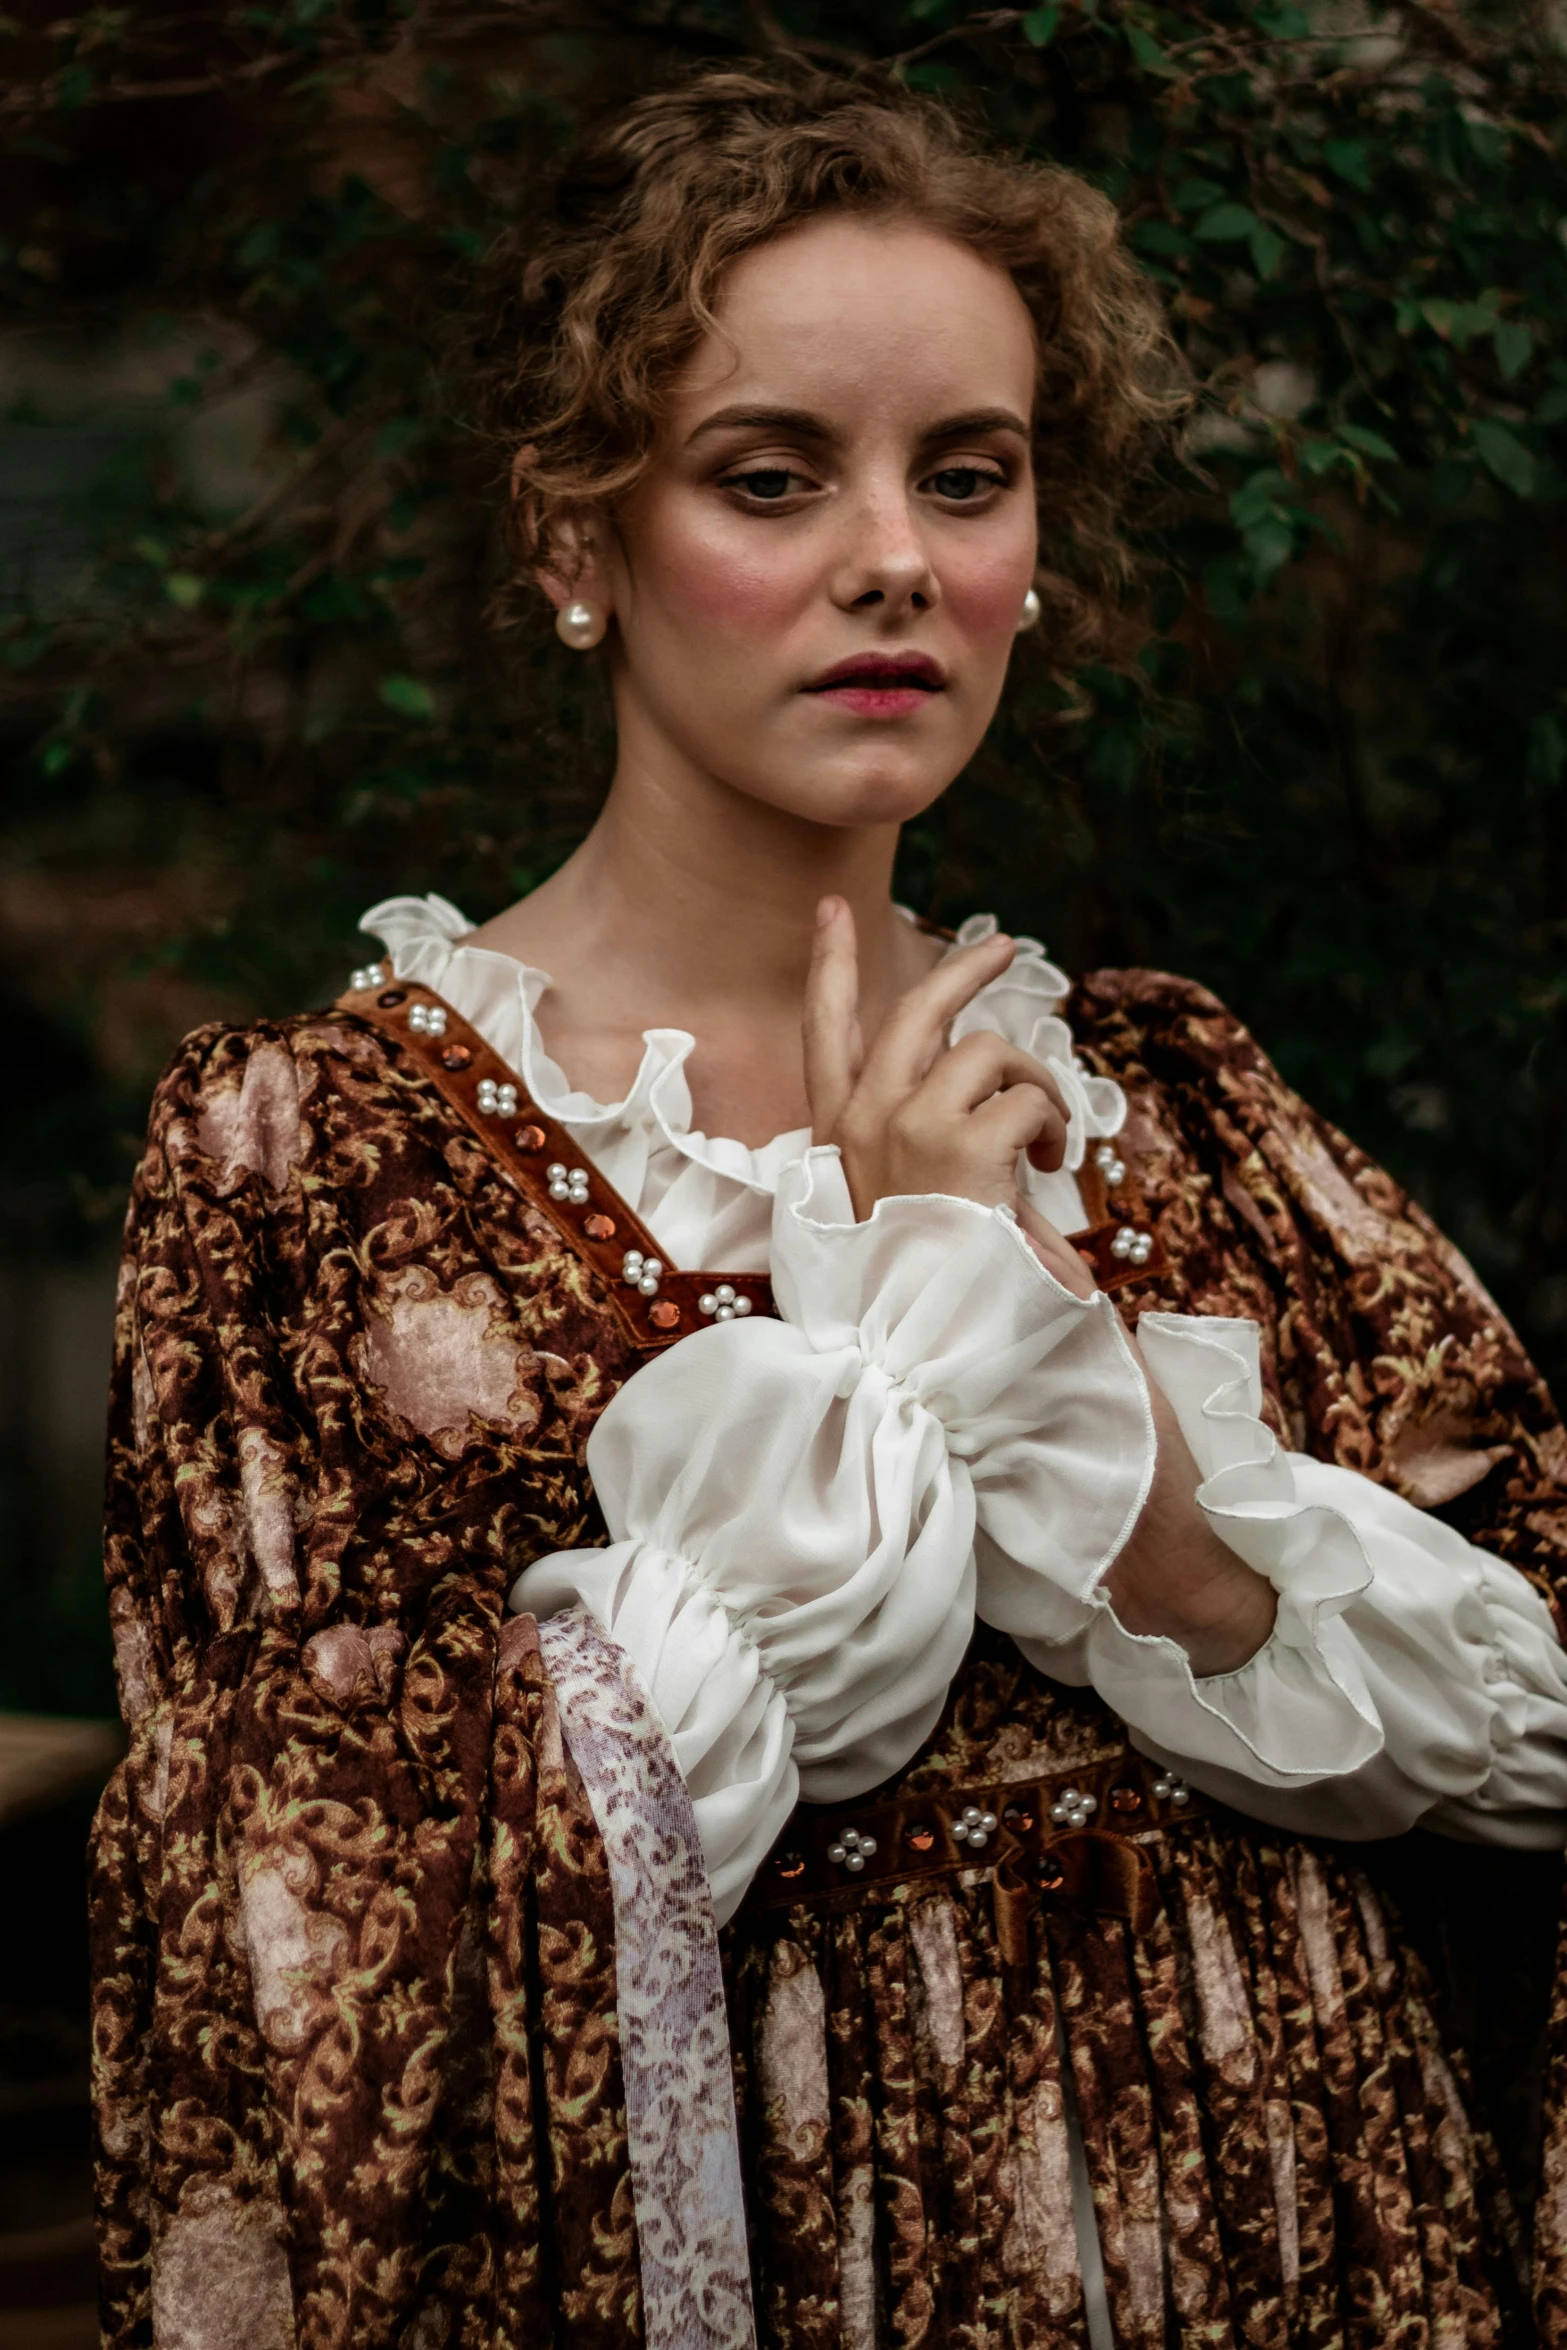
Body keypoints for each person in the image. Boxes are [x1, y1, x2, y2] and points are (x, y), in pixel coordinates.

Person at [92, 63, 1567, 2350]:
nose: (896, 555)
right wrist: (901, 1327)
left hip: (1315, 2252)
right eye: (771, 477)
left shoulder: (1186, 1101)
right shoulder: (317, 1159)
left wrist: (1165, 1523)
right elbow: (315, 1947)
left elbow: (1535, 1738)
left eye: (963, 476)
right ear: (573, 540)